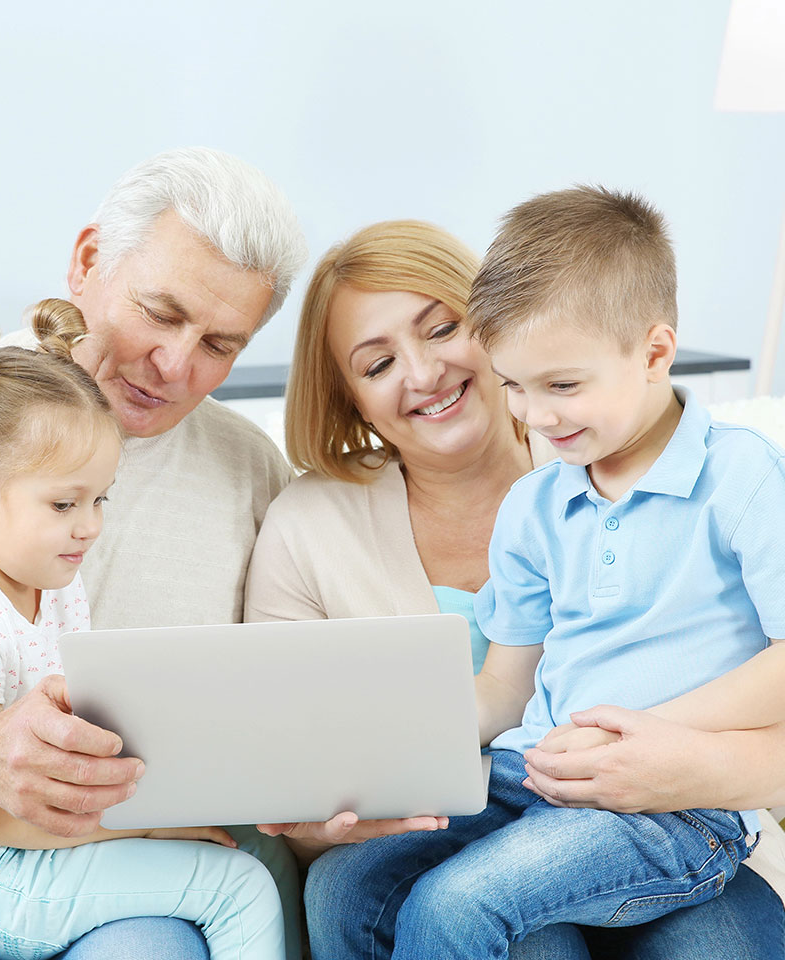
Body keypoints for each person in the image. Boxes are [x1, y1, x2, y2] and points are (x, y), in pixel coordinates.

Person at [245, 217, 785, 959]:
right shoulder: (538, 505)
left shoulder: (744, 478)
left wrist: (654, 734)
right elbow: (502, 688)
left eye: (558, 386)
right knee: (351, 886)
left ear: (657, 354)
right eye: (518, 388)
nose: (533, 413)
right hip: (537, 774)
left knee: (457, 906)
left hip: (681, 805)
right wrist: (346, 766)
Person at [0, 147, 307, 960]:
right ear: (87, 262)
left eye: (222, 344)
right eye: (161, 312)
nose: (178, 366)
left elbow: (262, 700)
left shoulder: (248, 472)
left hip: (114, 859)